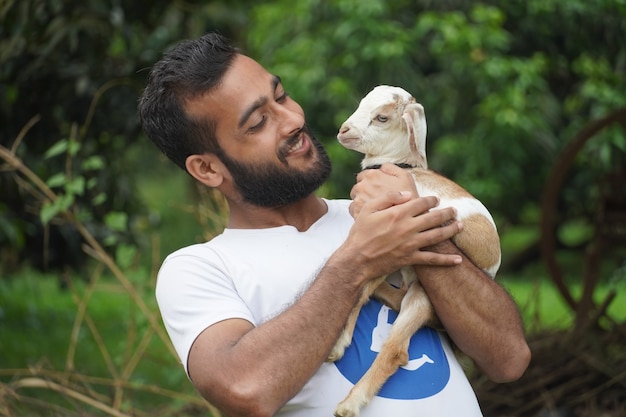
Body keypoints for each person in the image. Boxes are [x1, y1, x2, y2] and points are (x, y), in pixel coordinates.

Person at [138, 32, 530, 417]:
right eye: (259, 122)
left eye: (282, 96)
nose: (293, 119)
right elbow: (245, 392)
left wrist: (415, 228)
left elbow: (508, 358)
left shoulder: (384, 213)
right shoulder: (200, 269)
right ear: (207, 168)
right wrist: (360, 259)